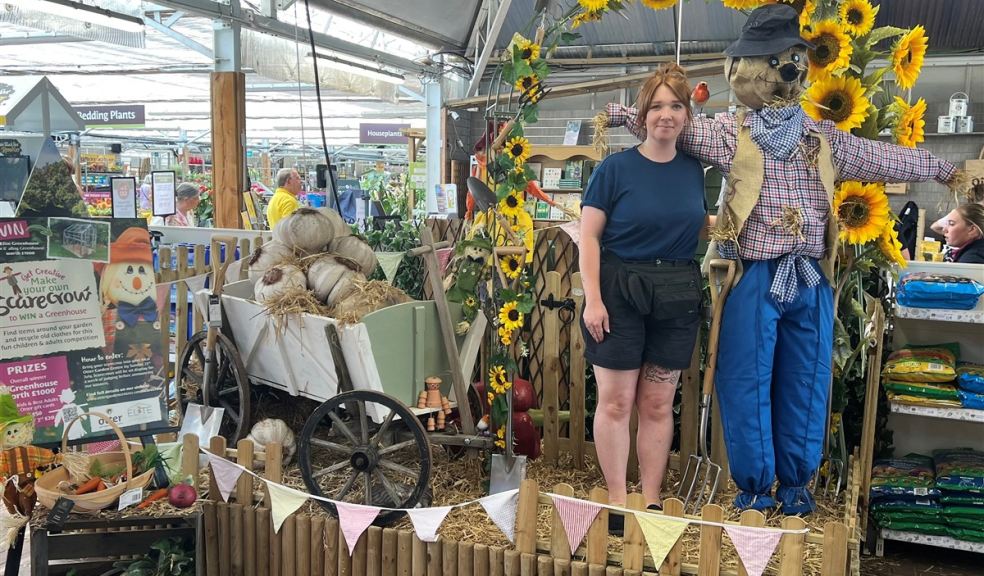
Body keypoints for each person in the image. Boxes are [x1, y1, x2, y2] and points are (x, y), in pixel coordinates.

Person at [580, 63, 708, 532]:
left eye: (676, 105)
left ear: (687, 116)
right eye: (657, 106)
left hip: (675, 294)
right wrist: (593, 298)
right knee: (616, 402)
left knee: (657, 403)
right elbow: (588, 237)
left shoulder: (695, 172)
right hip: (619, 293)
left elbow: (698, 226)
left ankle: (650, 499)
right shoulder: (615, 169)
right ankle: (617, 500)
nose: (666, 115)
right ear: (641, 115)